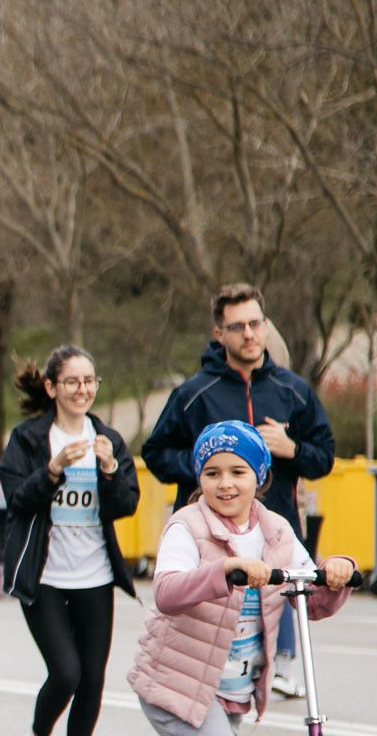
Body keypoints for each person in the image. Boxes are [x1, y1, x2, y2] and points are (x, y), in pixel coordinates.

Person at [111, 421, 358, 736]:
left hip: (230, 692)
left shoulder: (276, 533)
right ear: (199, 479)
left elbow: (309, 595)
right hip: (175, 684)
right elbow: (169, 591)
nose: (226, 483)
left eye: (238, 472)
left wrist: (336, 574)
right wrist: (226, 571)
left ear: (259, 476)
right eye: (212, 472)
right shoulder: (187, 528)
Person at [143, 285, 335, 698]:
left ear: (266, 327)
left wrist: (292, 449)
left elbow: (324, 457)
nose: (248, 334)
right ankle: (197, 692)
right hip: (208, 535)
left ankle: (275, 671)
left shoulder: (294, 391)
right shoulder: (193, 394)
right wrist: (207, 473)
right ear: (219, 334)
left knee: (281, 594)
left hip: (274, 522)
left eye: (255, 324)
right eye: (237, 327)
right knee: (208, 630)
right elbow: (155, 452)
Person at [0, 346, 141, 736]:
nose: (82, 390)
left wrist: (110, 469)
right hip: (45, 575)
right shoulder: (29, 439)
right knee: (66, 672)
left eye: (89, 381)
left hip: (95, 575)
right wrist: (53, 471)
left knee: (93, 680)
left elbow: (126, 505)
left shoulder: (108, 439)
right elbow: (17, 498)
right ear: (52, 388)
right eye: (72, 381)